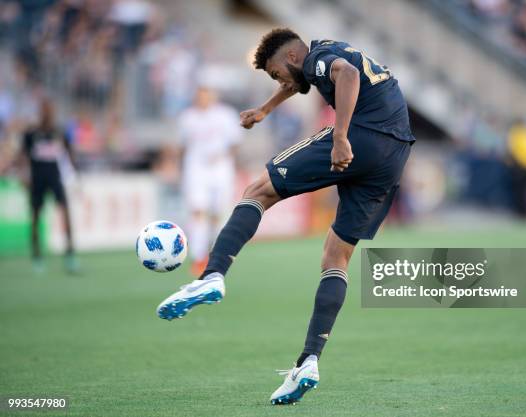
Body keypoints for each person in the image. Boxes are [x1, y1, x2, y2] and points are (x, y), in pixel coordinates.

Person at [156, 28, 414, 405]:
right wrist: (265, 109)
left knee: (257, 192)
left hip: (362, 134)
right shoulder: (316, 60)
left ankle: (211, 276)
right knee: (335, 257)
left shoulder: (320, 57)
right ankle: (308, 362)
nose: (280, 82)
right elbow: (302, 81)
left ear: (292, 57)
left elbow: (347, 75)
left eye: (276, 74)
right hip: (394, 153)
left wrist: (340, 136)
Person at [177, 84, 242, 276]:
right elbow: (183, 145)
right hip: (196, 169)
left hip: (221, 169)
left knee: (218, 213)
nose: (203, 99)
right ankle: (198, 257)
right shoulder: (187, 118)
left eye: (206, 95)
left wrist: (222, 156)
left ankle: (215, 253)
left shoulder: (225, 115)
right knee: (197, 211)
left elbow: (235, 142)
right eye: (200, 96)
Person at [18, 97, 78, 273]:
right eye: (45, 110)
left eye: (50, 111)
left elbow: (70, 152)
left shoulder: (58, 132)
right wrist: (23, 175)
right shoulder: (31, 134)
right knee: (35, 217)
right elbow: (22, 156)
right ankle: (37, 257)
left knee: (65, 213)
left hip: (55, 178)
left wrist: (74, 175)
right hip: (37, 180)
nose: (48, 114)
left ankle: (70, 254)